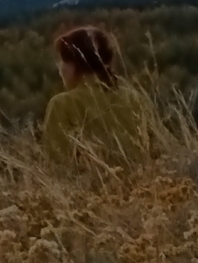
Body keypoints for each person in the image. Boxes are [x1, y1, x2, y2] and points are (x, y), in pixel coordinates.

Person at [41, 25, 150, 167]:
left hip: (89, 180)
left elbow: (56, 162)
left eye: (63, 61)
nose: (60, 69)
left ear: (74, 65)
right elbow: (158, 148)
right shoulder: (134, 98)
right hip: (141, 178)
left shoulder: (61, 104)